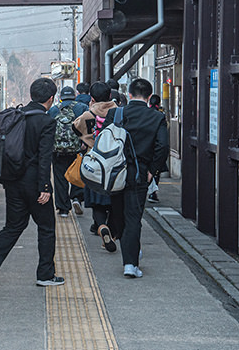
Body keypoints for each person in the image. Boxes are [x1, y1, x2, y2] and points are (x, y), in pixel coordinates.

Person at [0, 77, 64, 288]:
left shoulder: (14, 115)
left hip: (12, 181)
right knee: (46, 227)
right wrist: (45, 187)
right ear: (51, 99)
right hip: (34, 184)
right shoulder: (46, 122)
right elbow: (44, 158)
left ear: (32, 95)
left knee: (14, 225)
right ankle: (45, 274)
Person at [98, 78, 168, 278]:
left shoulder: (116, 113)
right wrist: (152, 170)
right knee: (133, 217)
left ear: (128, 94)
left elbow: (103, 140)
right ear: (148, 96)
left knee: (118, 214)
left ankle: (130, 249)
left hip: (115, 173)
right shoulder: (156, 117)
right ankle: (130, 263)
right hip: (140, 174)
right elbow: (162, 147)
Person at [72, 81, 118, 249]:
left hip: (94, 163)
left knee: (97, 202)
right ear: (110, 96)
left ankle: (101, 226)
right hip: (115, 164)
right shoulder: (119, 112)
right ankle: (111, 232)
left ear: (92, 98)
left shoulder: (87, 115)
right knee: (115, 200)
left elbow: (76, 129)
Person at [47, 85, 87, 217]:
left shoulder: (53, 110)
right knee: (77, 173)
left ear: (61, 97)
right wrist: (84, 144)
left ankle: (63, 208)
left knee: (60, 178)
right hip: (76, 149)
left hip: (57, 150)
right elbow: (87, 127)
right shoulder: (81, 108)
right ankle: (76, 198)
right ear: (74, 95)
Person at [146, 94, 165, 202]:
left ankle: (148, 191)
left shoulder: (146, 113)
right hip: (156, 148)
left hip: (147, 147)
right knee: (156, 171)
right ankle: (153, 193)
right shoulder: (160, 115)